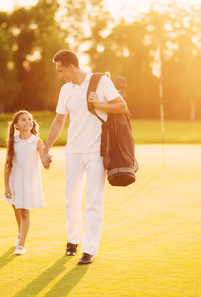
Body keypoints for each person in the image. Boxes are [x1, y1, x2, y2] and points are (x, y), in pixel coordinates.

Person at [42, 50, 127, 265]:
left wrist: (100, 105)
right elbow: (59, 121)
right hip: (73, 151)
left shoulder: (101, 81)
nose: (59, 74)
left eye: (61, 70)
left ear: (71, 66)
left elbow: (122, 106)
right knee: (71, 199)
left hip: (97, 152)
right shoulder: (65, 90)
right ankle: (73, 241)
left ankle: (89, 250)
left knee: (93, 202)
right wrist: (46, 149)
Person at [4, 110, 49, 255]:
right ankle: (19, 233)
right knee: (16, 207)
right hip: (14, 180)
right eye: (23, 120)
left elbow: (45, 164)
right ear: (16, 125)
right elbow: (7, 164)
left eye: (29, 119)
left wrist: (48, 161)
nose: (28, 122)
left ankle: (21, 245)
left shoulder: (37, 142)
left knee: (24, 212)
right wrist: (6, 185)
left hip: (29, 182)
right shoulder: (13, 141)